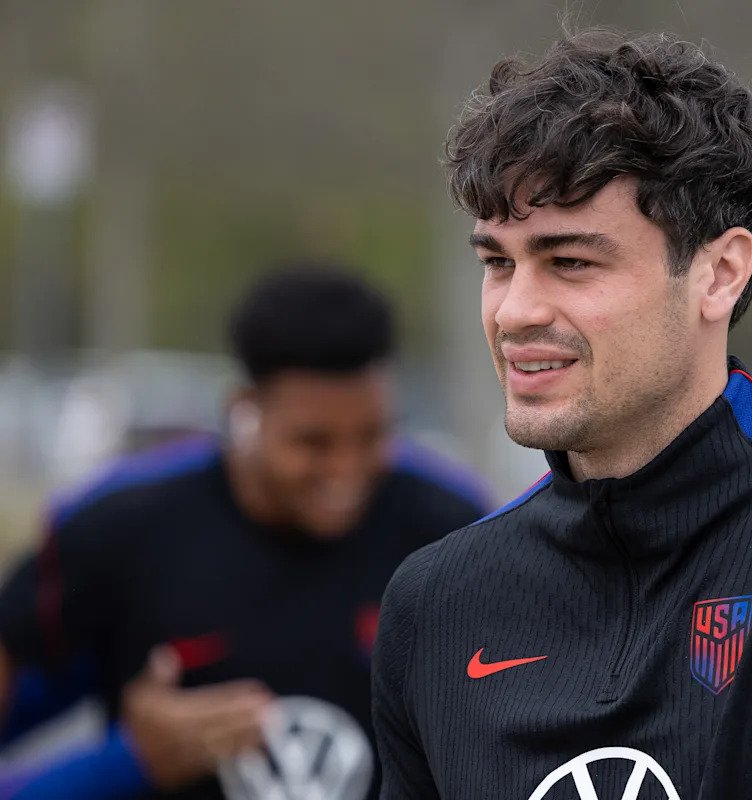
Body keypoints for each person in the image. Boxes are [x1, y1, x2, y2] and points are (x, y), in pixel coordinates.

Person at [371, 29, 752, 799]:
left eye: (570, 262)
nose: (515, 311)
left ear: (720, 273)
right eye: (498, 263)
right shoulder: (436, 600)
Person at [0, 264, 490, 799]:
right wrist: (129, 761)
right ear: (244, 409)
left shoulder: (452, 526)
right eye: (313, 443)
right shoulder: (117, 527)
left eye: (372, 436)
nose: (346, 469)